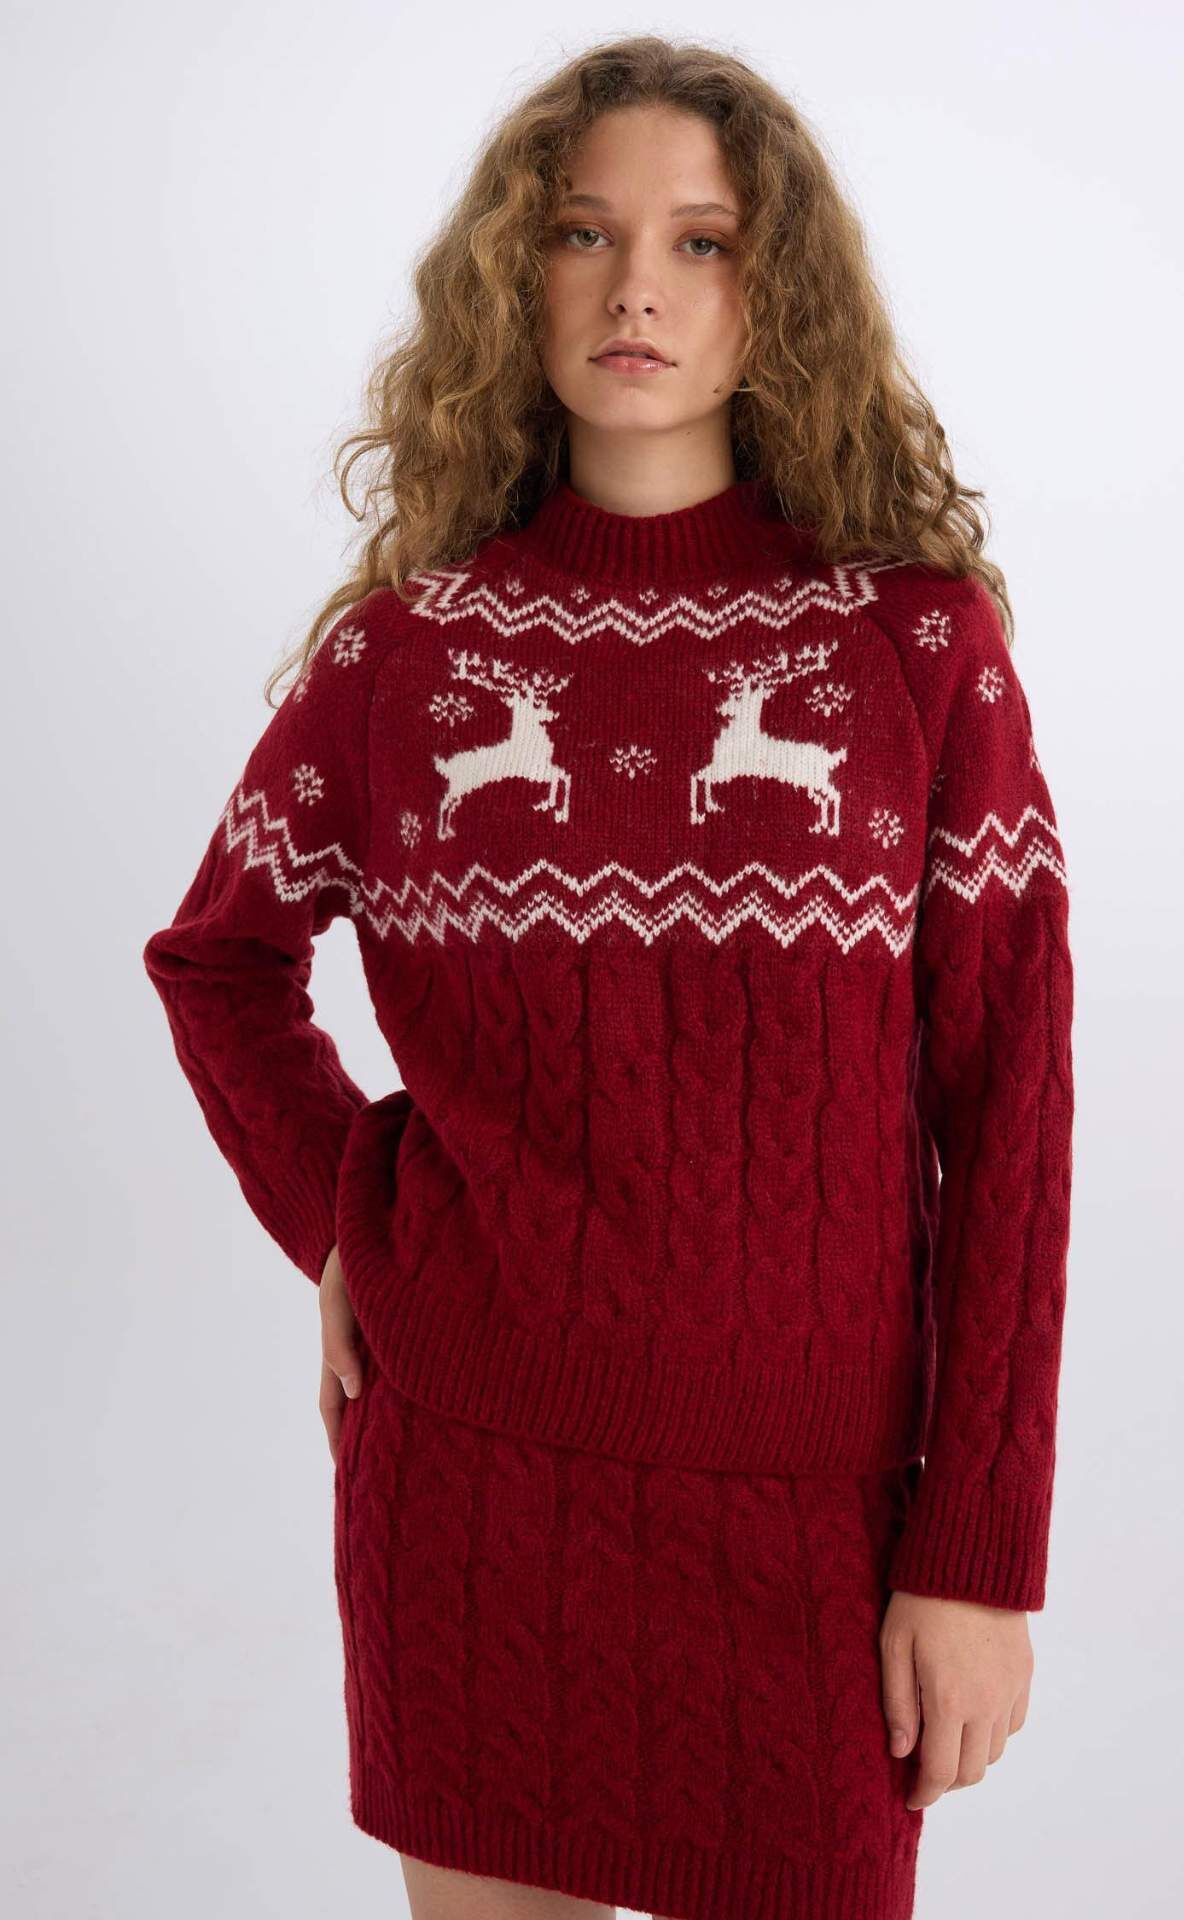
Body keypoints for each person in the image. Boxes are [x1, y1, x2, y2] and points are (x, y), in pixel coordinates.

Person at [141, 33, 1075, 1920]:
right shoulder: (408, 657)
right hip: (470, 1489)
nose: (638, 285)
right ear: (517, 274)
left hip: (817, 1526)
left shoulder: (912, 650)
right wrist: (347, 1214)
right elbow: (219, 957)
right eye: (583, 232)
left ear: (775, 293)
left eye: (703, 242)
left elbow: (1012, 1111)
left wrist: (979, 1552)